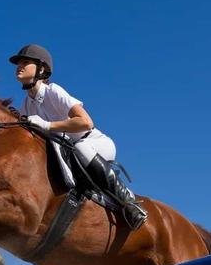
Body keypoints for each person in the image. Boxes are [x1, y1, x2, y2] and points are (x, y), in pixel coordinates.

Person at [9, 44, 147, 230]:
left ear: (41, 69)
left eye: (25, 62)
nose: (19, 66)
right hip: (69, 152)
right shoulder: (27, 104)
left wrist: (47, 125)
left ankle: (129, 203)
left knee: (81, 148)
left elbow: (85, 122)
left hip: (94, 142)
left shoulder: (53, 91)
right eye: (18, 63)